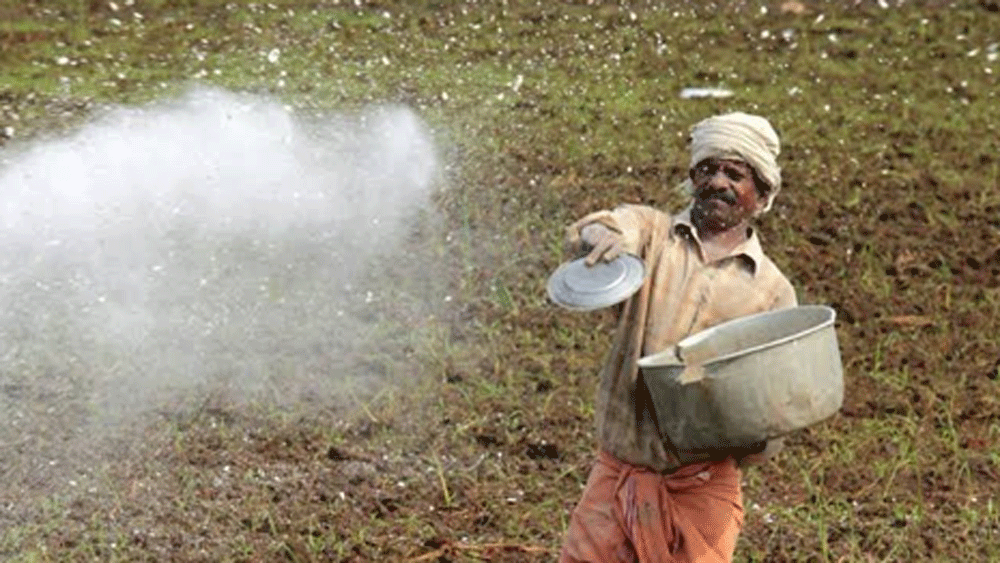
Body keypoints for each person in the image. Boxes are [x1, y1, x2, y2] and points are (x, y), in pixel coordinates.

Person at [559, 112, 797, 563]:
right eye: (708, 169)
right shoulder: (651, 235)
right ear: (692, 177)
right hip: (619, 476)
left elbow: (774, 409)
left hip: (701, 490)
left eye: (735, 174)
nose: (719, 183)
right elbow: (610, 225)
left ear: (762, 193)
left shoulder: (772, 292)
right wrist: (598, 234)